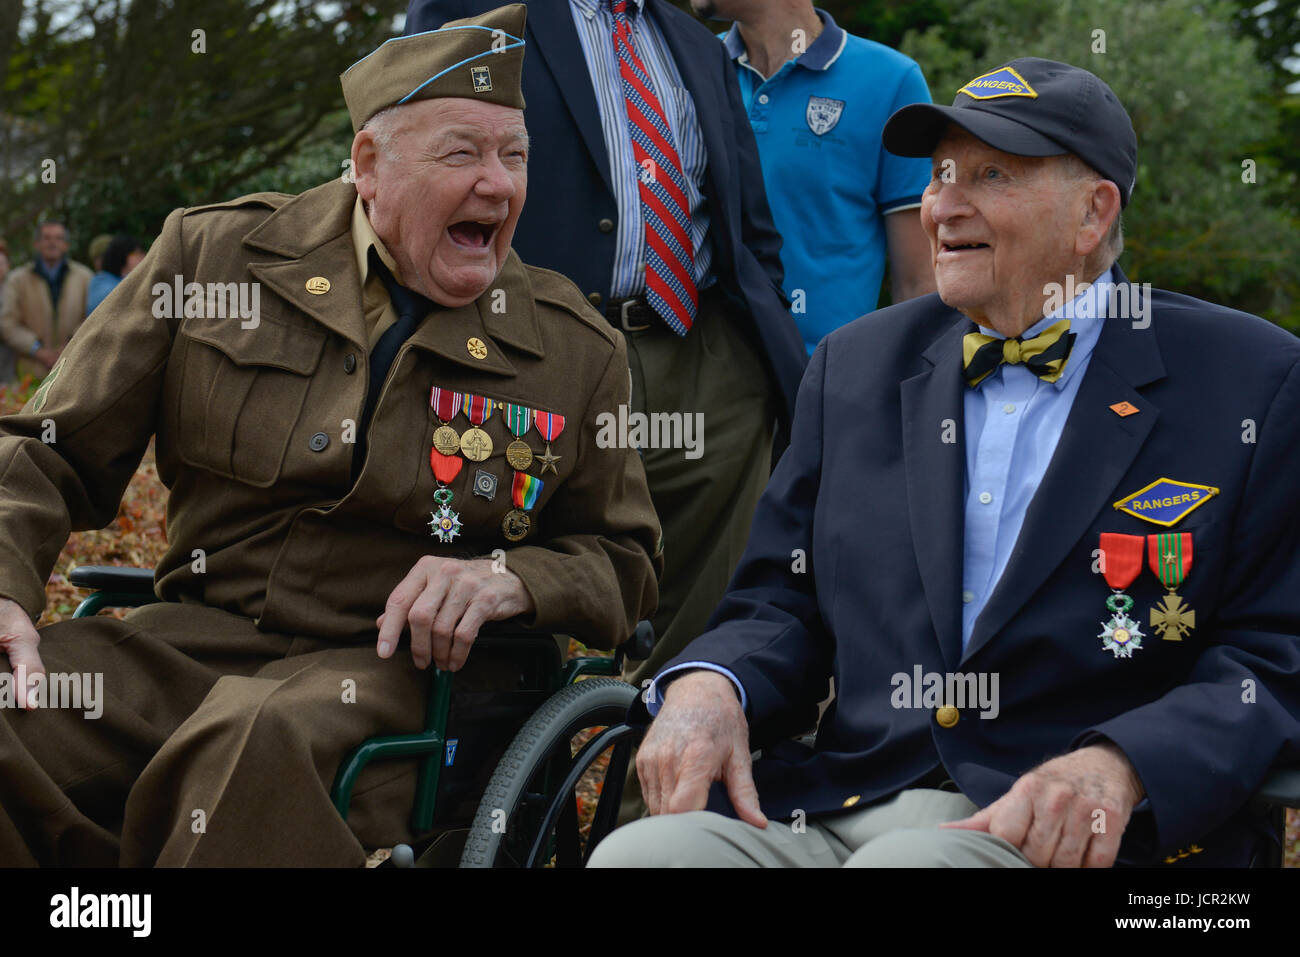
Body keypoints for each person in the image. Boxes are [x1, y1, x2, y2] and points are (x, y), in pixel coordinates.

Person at [589, 58, 1300, 868]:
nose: (941, 206)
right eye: (939, 176)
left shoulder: (1251, 379)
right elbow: (780, 598)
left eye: (991, 175)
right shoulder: (855, 365)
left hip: (1080, 832)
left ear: (1093, 213)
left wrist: (1123, 762)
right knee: (641, 855)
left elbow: (1277, 654)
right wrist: (715, 681)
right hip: (841, 801)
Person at [0, 3, 661, 866]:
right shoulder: (211, 260)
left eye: (515, 155)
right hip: (199, 640)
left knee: (254, 741)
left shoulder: (575, 349)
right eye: (462, 152)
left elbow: (628, 562)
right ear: (368, 166)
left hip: (409, 678)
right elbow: (47, 444)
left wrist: (510, 577)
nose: (499, 185)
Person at [405, 0, 808, 697]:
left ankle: (661, 795)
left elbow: (746, 223)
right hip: (535, 357)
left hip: (703, 360)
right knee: (519, 595)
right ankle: (529, 801)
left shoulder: (696, 41)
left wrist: (753, 356)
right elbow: (426, 176)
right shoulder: (476, 11)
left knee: (703, 622)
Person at [699, 0, 936, 353]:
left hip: (826, 379)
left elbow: (919, 283)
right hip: (703, 377)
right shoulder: (692, 67)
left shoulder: (891, 81)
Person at [0, 221, 91, 376]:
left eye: (58, 238)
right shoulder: (17, 280)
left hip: (73, 371)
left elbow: (92, 317)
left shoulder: (85, 277)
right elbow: (7, 322)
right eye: (47, 238)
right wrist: (37, 350)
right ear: (36, 244)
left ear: (66, 245)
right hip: (30, 373)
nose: (52, 243)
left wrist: (70, 346)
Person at [86, 234, 146, 315]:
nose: (144, 257)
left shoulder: (103, 282)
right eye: (138, 253)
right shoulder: (108, 288)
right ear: (123, 255)